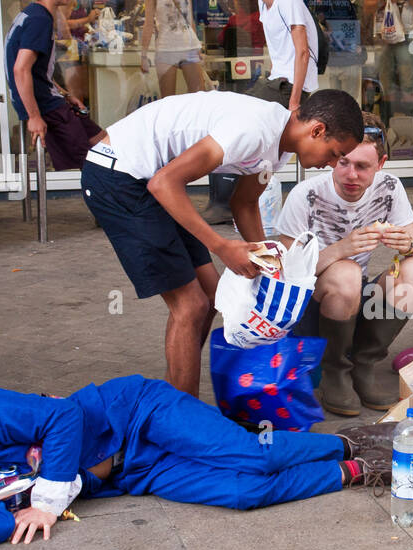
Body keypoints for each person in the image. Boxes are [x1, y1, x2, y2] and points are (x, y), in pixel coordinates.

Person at [0, 376, 398, 550]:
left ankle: (349, 439)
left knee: (249, 456)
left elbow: (60, 415)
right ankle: (355, 469)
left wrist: (48, 498)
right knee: (242, 493)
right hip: (131, 472)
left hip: (134, 411)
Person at [80, 88, 364, 398]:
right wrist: (221, 246)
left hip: (149, 180)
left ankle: (169, 400)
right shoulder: (255, 129)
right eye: (336, 153)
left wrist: (270, 263)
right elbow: (163, 183)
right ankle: (183, 424)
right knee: (190, 306)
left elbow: (244, 203)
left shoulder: (279, 149)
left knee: (213, 296)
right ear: (317, 130)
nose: (332, 164)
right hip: (118, 176)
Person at [276, 113, 413, 415]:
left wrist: (409, 246)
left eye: (362, 166)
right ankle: (335, 371)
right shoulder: (305, 195)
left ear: (381, 164)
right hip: (311, 307)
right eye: (343, 162)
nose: (350, 175)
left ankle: (362, 365)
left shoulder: (389, 188)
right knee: (347, 272)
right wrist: (340, 250)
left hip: (356, 301)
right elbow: (283, 274)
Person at [4, 0, 102, 171]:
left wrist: (66, 94)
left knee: (101, 140)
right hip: (46, 106)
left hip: (52, 100)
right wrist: (34, 116)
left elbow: (38, 72)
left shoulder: (32, 14)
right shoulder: (40, 19)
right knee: (91, 160)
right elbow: (20, 69)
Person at [243, 0, 318, 110]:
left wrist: (294, 103)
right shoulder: (262, 2)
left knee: (247, 110)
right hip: (277, 80)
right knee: (240, 103)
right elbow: (277, 46)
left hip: (292, 85)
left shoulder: (288, 0)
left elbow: (303, 52)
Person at [140, 0, 210, 98]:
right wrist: (144, 54)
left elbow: (189, 16)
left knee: (199, 95)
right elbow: (149, 23)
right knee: (168, 99)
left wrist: (197, 43)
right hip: (166, 47)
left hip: (188, 45)